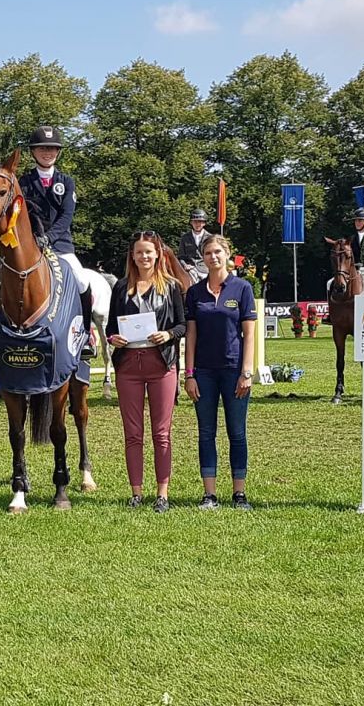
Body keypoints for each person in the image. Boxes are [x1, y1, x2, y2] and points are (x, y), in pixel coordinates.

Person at [0, 125, 95, 359]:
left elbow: (66, 217)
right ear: (33, 152)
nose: (47, 152)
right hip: (28, 246)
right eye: (42, 148)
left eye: (52, 148)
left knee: (81, 280)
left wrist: (49, 237)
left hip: (60, 246)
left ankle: (85, 335)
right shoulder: (23, 183)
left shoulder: (66, 182)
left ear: (58, 152)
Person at [106, 230, 186, 513]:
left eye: (148, 252)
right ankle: (136, 493)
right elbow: (110, 329)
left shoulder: (172, 286)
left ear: (158, 254)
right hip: (128, 367)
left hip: (161, 365)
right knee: (133, 433)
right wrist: (112, 339)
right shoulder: (121, 287)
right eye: (139, 252)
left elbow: (182, 325)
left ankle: (162, 494)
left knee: (161, 433)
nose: (144, 257)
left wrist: (168, 335)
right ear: (133, 255)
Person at [184, 234, 257, 510]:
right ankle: (210, 494)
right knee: (206, 433)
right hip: (203, 372)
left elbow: (249, 335)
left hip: (234, 371)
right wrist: (189, 373)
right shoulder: (195, 292)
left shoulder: (242, 288)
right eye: (207, 253)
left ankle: (239, 493)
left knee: (237, 433)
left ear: (227, 254)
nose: (212, 257)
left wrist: (246, 372)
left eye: (217, 252)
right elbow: (190, 335)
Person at [324, 207, 364, 321]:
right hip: (353, 269)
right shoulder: (352, 237)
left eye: (360, 220)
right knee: (330, 283)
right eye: (356, 221)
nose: (357, 223)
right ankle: (331, 314)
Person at [178, 208, 211, 280]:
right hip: (189, 269)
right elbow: (181, 256)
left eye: (200, 222)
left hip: (205, 269)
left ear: (204, 223)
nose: (197, 224)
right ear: (191, 222)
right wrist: (185, 265)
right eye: (195, 222)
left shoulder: (210, 238)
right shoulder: (185, 237)